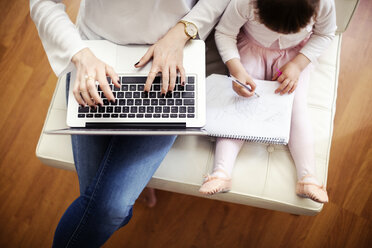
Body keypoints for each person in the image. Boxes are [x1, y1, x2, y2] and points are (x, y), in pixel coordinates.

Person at [30, 0, 230, 246]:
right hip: (95, 51)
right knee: (109, 210)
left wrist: (182, 32)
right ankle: (140, 185)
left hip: (169, 53)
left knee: (110, 209)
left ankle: (140, 185)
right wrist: (79, 55)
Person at [199, 0, 336, 203]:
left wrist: (298, 65)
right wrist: (236, 69)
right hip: (251, 49)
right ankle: (221, 172)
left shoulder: (323, 4)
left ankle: (308, 177)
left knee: (295, 106)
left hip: (297, 55)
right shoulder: (244, 3)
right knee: (239, 102)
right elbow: (225, 33)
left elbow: (325, 34)